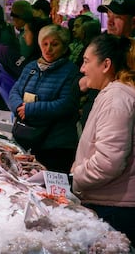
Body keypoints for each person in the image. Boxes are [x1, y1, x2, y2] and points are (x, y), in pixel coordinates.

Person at [71, 33, 135, 245]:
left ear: (106, 64)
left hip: (115, 209)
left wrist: (76, 175)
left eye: (87, 61)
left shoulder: (117, 97)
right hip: (112, 202)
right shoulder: (113, 93)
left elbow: (108, 163)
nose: (82, 68)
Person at [8, 24, 80, 173]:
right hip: (28, 139)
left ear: (65, 46)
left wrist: (30, 109)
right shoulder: (31, 67)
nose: (48, 49)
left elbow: (66, 104)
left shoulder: (71, 71)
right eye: (45, 44)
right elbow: (15, 90)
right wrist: (18, 106)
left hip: (56, 145)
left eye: (55, 44)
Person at [79, 0, 135, 129]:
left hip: (119, 124)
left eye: (117, 17)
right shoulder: (100, 44)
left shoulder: (132, 52)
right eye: (109, 15)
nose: (110, 22)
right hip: (93, 119)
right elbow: (79, 82)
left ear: (133, 22)